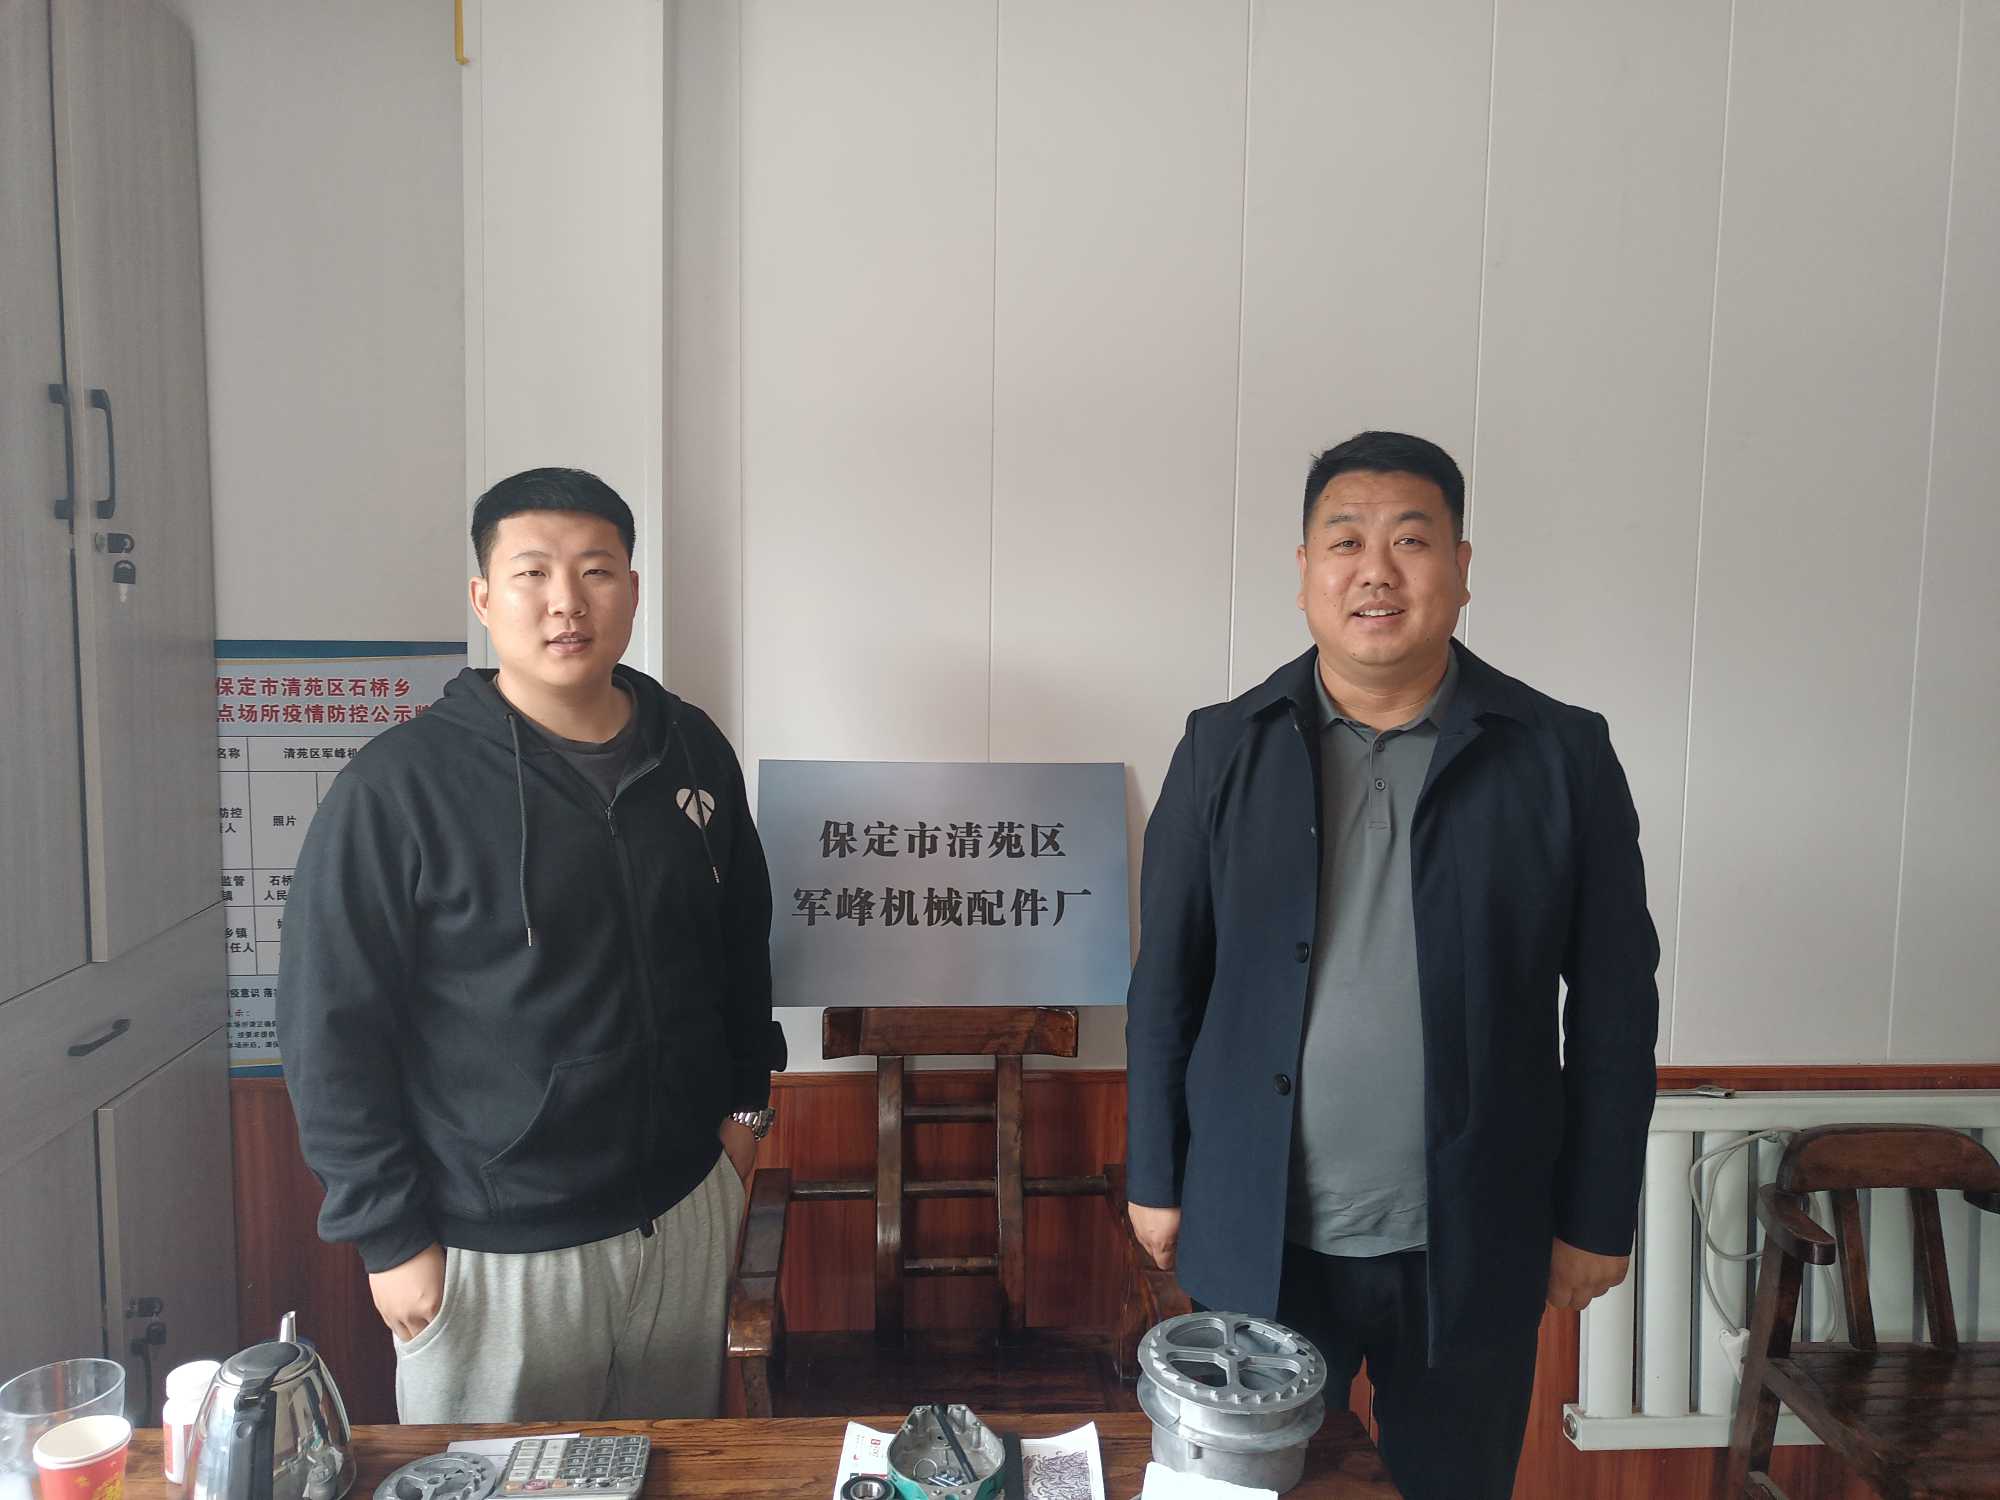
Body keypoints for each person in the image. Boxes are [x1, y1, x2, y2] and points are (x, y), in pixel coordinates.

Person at [1124, 432, 1658, 1499]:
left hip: (1474, 1235)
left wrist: (1598, 1215)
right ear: (1304, 573)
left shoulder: (1558, 754)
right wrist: (1154, 1176)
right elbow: (1166, 985)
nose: (1376, 570)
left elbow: (1613, 1003)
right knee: (1248, 1492)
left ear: (1460, 568)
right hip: (1260, 1231)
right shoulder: (1222, 748)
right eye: (1345, 542)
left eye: (1410, 542)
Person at [278, 466, 785, 1422]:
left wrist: (746, 1116)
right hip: (493, 1251)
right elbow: (327, 1024)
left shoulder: (691, 749)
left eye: (596, 571)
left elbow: (739, 944)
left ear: (632, 588)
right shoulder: (400, 786)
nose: (567, 602)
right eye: (532, 573)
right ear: (483, 598)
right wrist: (388, 1236)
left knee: (667, 1471)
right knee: (493, 1482)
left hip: (683, 1210)